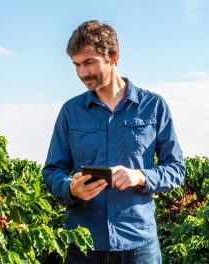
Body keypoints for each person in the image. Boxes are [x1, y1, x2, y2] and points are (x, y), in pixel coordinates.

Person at [42, 20, 185, 263]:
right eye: (76, 65)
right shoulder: (70, 111)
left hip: (139, 243)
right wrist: (70, 188)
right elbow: (52, 171)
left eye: (89, 63)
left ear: (113, 57)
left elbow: (176, 169)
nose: (83, 73)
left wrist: (140, 176)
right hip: (83, 243)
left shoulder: (154, 106)